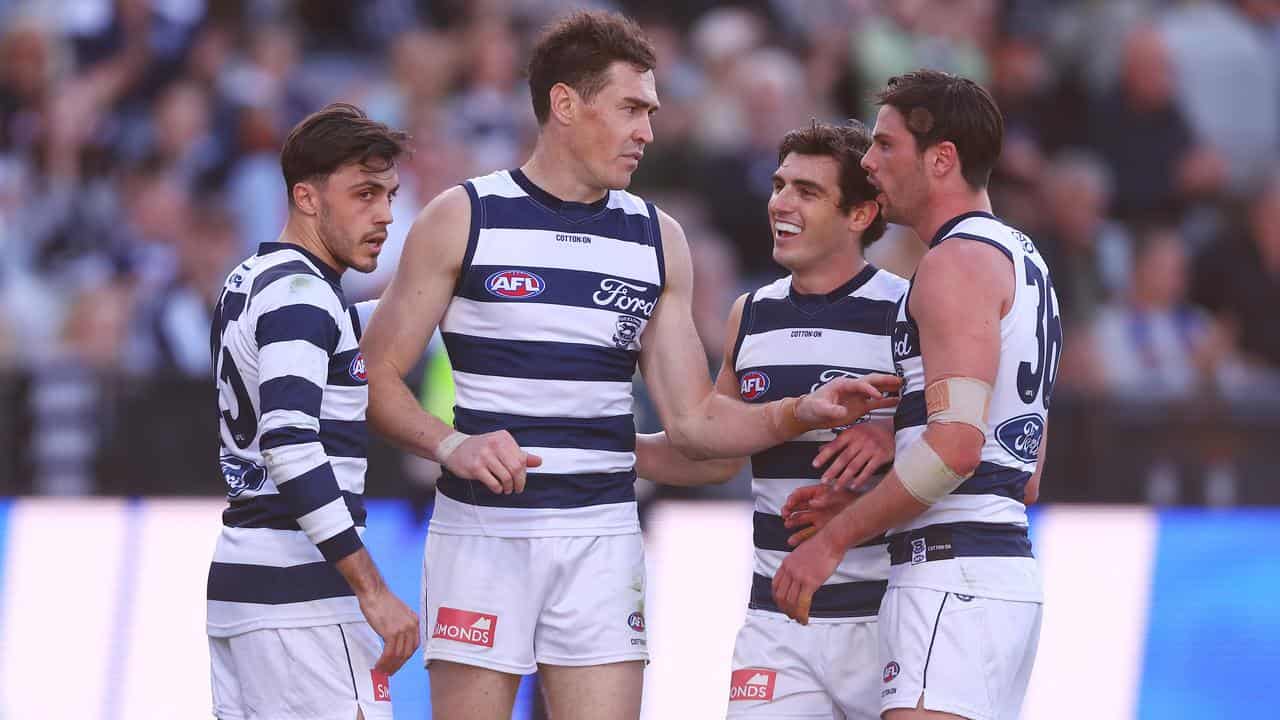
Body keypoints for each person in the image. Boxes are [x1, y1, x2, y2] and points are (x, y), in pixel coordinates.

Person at [359, 11, 898, 720]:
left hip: (602, 542)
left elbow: (696, 424)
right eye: (631, 108)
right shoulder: (465, 216)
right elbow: (374, 375)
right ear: (565, 104)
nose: (647, 129)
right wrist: (451, 443)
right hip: (482, 538)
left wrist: (799, 412)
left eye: (651, 110)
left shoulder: (655, 238)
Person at [771, 70, 1057, 720]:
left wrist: (836, 538)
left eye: (884, 145)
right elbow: (1022, 474)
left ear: (942, 158)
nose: (867, 162)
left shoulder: (954, 263)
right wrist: (887, 463)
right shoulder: (1025, 259)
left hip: (949, 580)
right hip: (997, 574)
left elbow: (955, 448)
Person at [635, 119, 906, 719]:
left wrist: (890, 434)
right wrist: (605, 443)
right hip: (776, 619)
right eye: (780, 185)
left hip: (886, 617)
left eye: (806, 191)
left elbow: (958, 446)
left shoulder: (906, 309)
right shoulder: (750, 314)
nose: (780, 203)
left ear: (860, 214)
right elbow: (715, 455)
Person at [206, 103, 419, 720]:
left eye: (390, 195)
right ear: (306, 197)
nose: (383, 214)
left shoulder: (260, 278)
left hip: (248, 587)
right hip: (301, 600)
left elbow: (339, 340)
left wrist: (437, 287)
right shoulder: (303, 296)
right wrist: (373, 591)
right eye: (364, 193)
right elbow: (291, 443)